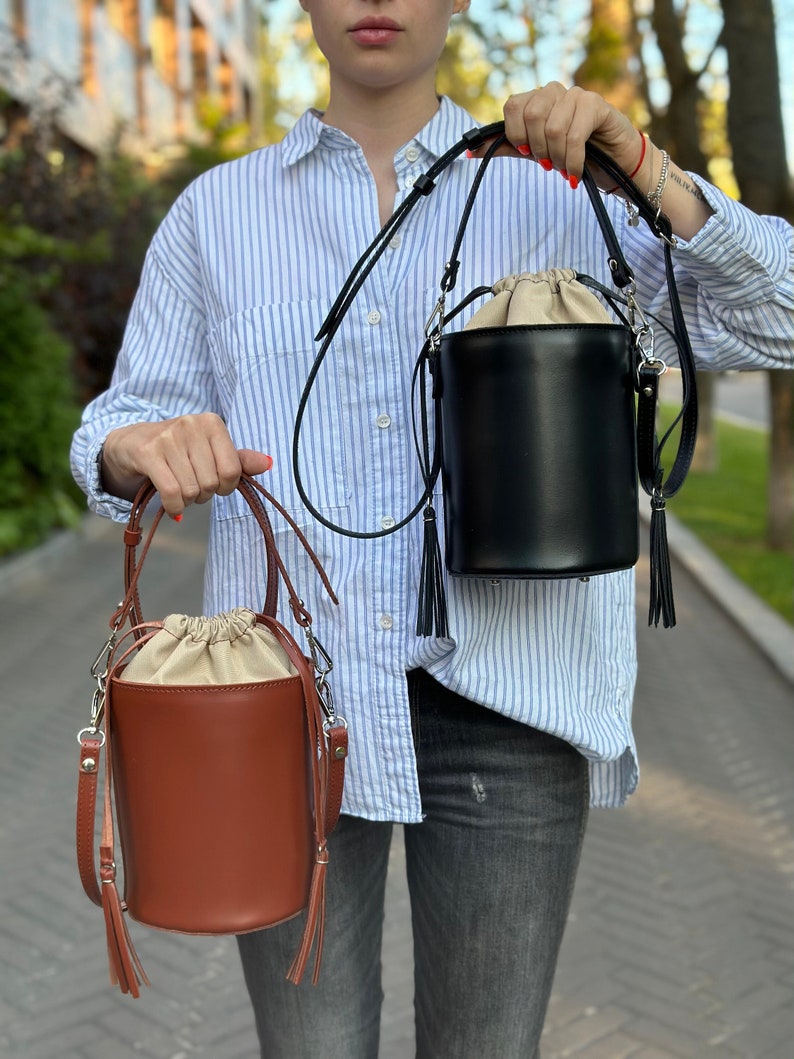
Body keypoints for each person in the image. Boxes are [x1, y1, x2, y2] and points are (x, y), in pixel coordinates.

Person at [71, 0, 794, 1054]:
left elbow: (777, 318)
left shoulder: (561, 189)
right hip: (280, 703)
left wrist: (645, 166)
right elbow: (117, 421)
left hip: (511, 689)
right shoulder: (215, 213)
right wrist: (135, 450)